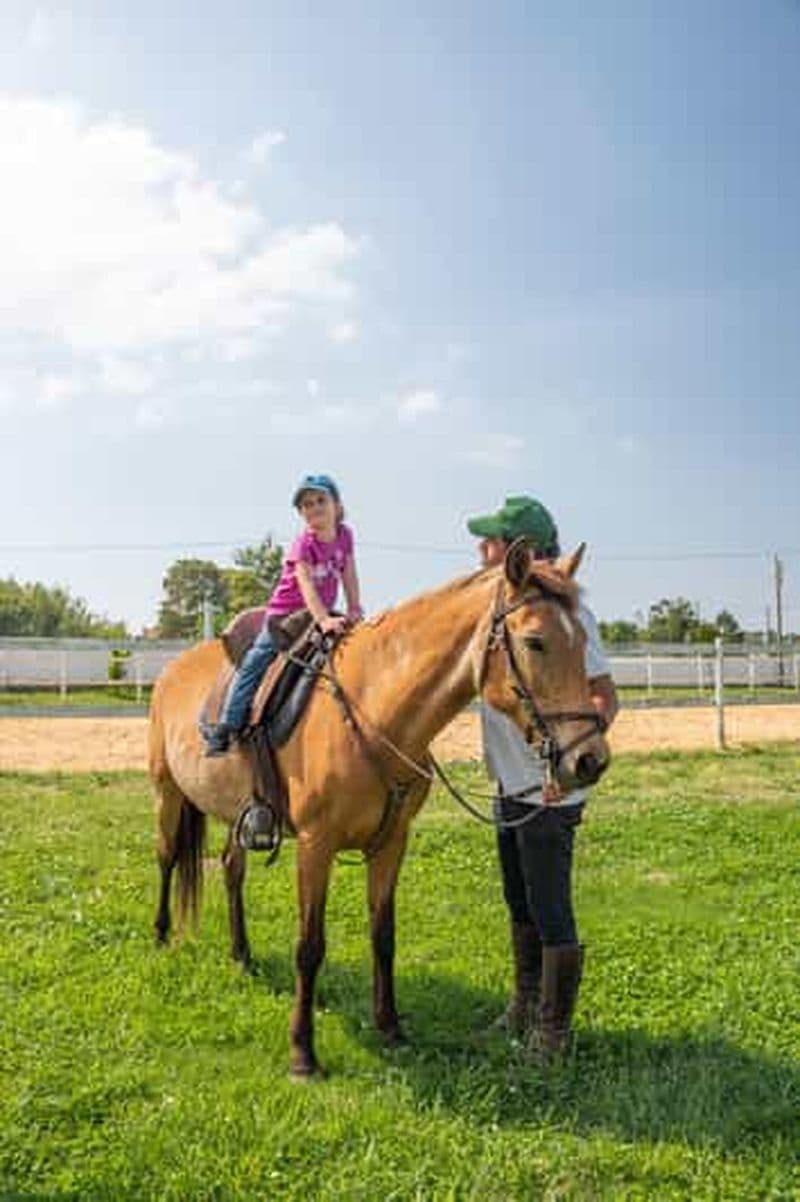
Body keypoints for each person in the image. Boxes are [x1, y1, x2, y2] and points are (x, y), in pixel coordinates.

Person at [466, 495, 618, 1060]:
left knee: (551, 906)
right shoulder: (505, 611)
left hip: (552, 787)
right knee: (518, 900)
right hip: (510, 783)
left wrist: (569, 759)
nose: (480, 550)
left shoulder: (569, 614)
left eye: (490, 541)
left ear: (518, 551)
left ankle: (552, 1031)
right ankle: (524, 1006)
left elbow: (604, 695)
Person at [203, 474, 363, 841]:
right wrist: (322, 618)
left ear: (337, 505)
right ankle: (227, 725)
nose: (313, 510)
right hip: (286, 617)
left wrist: (354, 608)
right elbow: (305, 582)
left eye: (320, 501)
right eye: (306, 505)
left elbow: (349, 571)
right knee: (255, 665)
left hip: (324, 611)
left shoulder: (345, 536)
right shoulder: (303, 543)